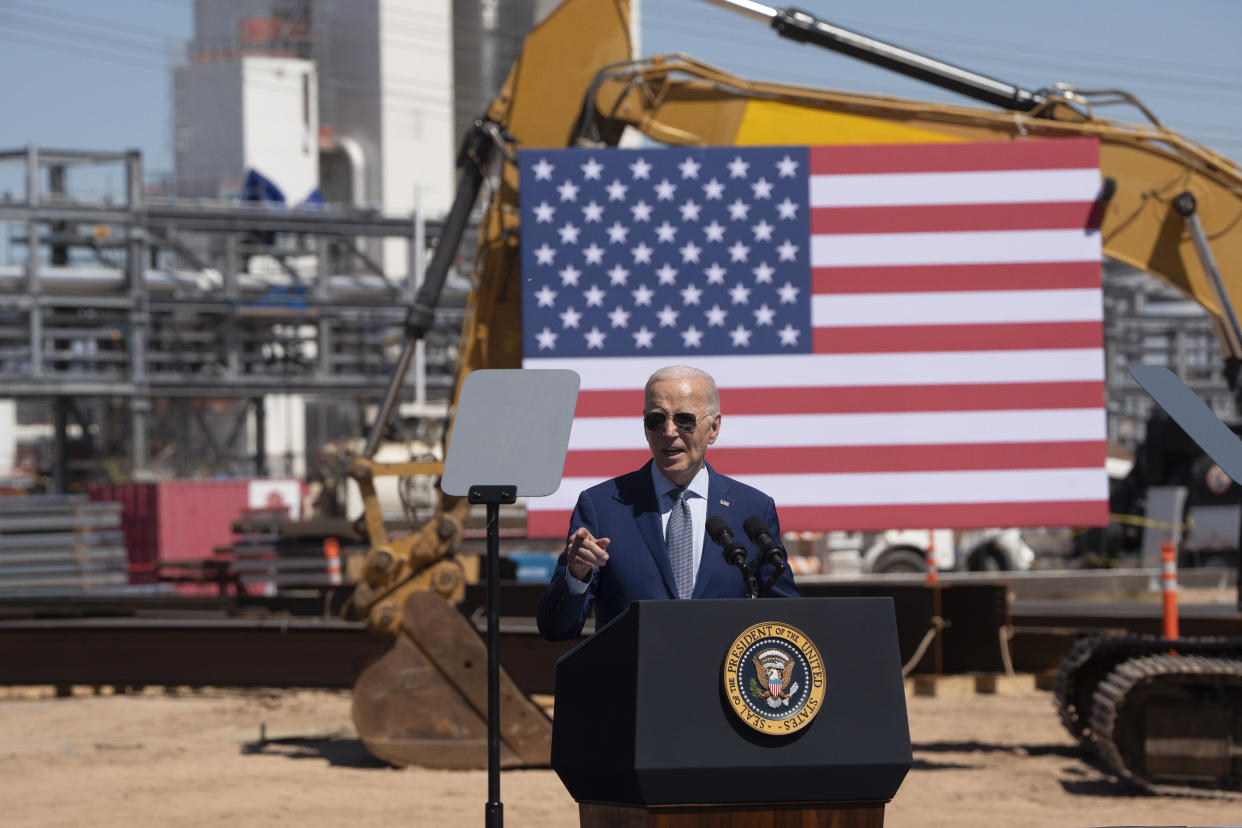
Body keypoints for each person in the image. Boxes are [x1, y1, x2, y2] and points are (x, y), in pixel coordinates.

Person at [536, 365, 801, 641]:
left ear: (714, 428)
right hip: (636, 680)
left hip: (721, 680)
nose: (669, 431)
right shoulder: (601, 507)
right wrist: (577, 575)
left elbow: (789, 621)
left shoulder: (752, 509)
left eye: (685, 419)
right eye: (656, 419)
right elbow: (556, 628)